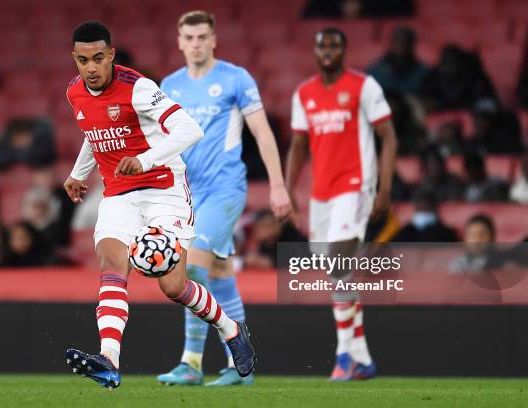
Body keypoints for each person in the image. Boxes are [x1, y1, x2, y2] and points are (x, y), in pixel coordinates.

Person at [62, 21, 255, 390]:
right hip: (118, 193)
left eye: (98, 58)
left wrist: (146, 159)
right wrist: (78, 173)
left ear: (111, 55)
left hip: (163, 189)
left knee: (174, 286)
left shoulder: (139, 88)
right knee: (112, 263)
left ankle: (231, 329)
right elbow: (94, 133)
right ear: (74, 59)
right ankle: (109, 359)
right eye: (83, 60)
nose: (91, 67)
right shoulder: (74, 93)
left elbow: (189, 130)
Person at [156, 10, 292, 387]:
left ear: (214, 39)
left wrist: (278, 185)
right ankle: (240, 366)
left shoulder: (236, 79)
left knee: (191, 270)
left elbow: (263, 133)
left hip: (225, 190)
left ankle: (191, 362)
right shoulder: (169, 85)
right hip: (188, 195)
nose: (196, 44)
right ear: (179, 42)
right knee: (219, 275)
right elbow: (162, 143)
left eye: (203, 37)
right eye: (190, 37)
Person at [285, 28, 397, 381]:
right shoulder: (304, 93)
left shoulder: (364, 86)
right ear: (315, 51)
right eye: (323, 46)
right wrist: (286, 191)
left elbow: (389, 136)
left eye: (335, 45)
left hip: (356, 184)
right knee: (339, 270)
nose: (328, 51)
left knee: (337, 260)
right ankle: (363, 358)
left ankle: (344, 354)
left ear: (344, 50)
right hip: (322, 193)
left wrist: (384, 189)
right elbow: (299, 146)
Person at [367, 26, 428, 96]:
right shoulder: (376, 71)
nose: (401, 44)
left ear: (412, 44)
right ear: (392, 42)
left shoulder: (423, 73)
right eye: (398, 40)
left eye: (406, 41)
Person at [391, 188, 458, 242]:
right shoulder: (404, 233)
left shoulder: (447, 234)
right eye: (421, 209)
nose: (424, 214)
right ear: (415, 209)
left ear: (436, 209)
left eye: (427, 209)